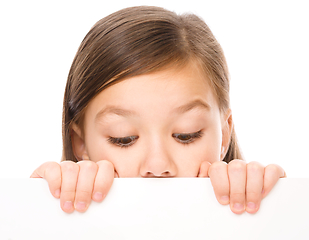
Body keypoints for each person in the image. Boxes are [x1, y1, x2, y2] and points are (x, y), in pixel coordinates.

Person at [30, 6, 286, 215]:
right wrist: (33, 210)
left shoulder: (261, 214)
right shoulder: (48, 215)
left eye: (187, 135)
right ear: (80, 143)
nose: (157, 166)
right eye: (124, 139)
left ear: (224, 135)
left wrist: (278, 210)